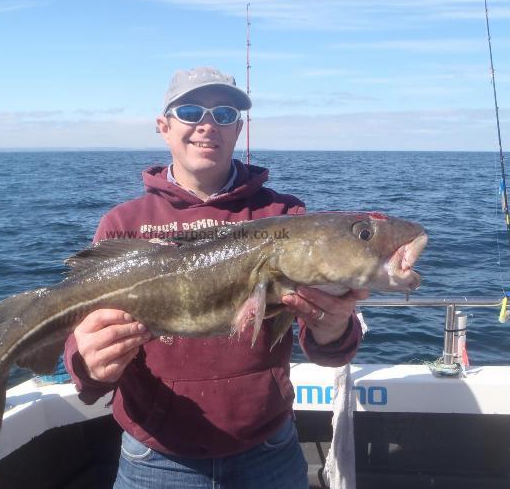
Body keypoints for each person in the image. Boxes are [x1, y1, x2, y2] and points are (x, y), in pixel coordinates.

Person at [64, 66, 367, 488]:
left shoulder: (286, 217)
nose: (208, 126)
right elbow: (82, 357)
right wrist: (88, 362)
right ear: (163, 126)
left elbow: (327, 348)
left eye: (224, 114)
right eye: (191, 111)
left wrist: (334, 327)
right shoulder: (123, 224)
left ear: (238, 129)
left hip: (268, 453)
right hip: (155, 459)